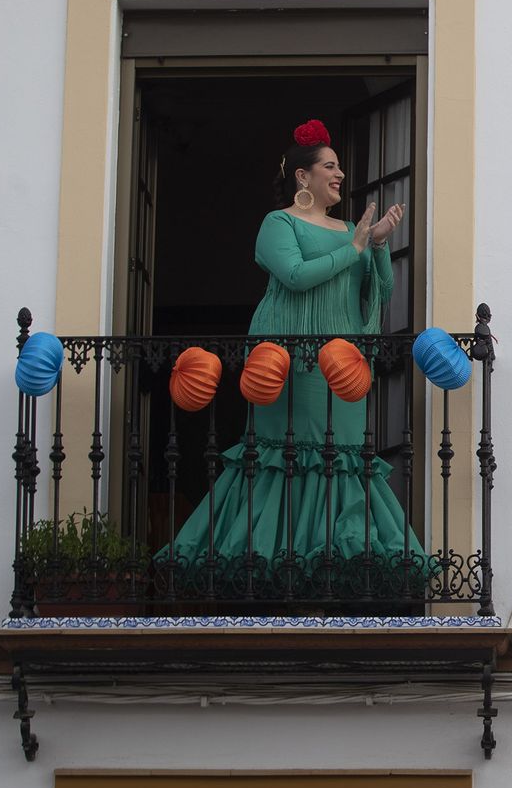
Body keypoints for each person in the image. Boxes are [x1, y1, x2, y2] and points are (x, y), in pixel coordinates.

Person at [162, 119, 419, 583]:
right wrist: (355, 246)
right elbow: (296, 276)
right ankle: (276, 565)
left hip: (342, 363)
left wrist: (378, 244)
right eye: (330, 166)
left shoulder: (351, 228)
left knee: (343, 458)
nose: (340, 174)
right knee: (287, 455)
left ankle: (333, 565)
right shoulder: (278, 223)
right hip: (290, 362)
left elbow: (379, 290)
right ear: (303, 176)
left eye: (339, 166)